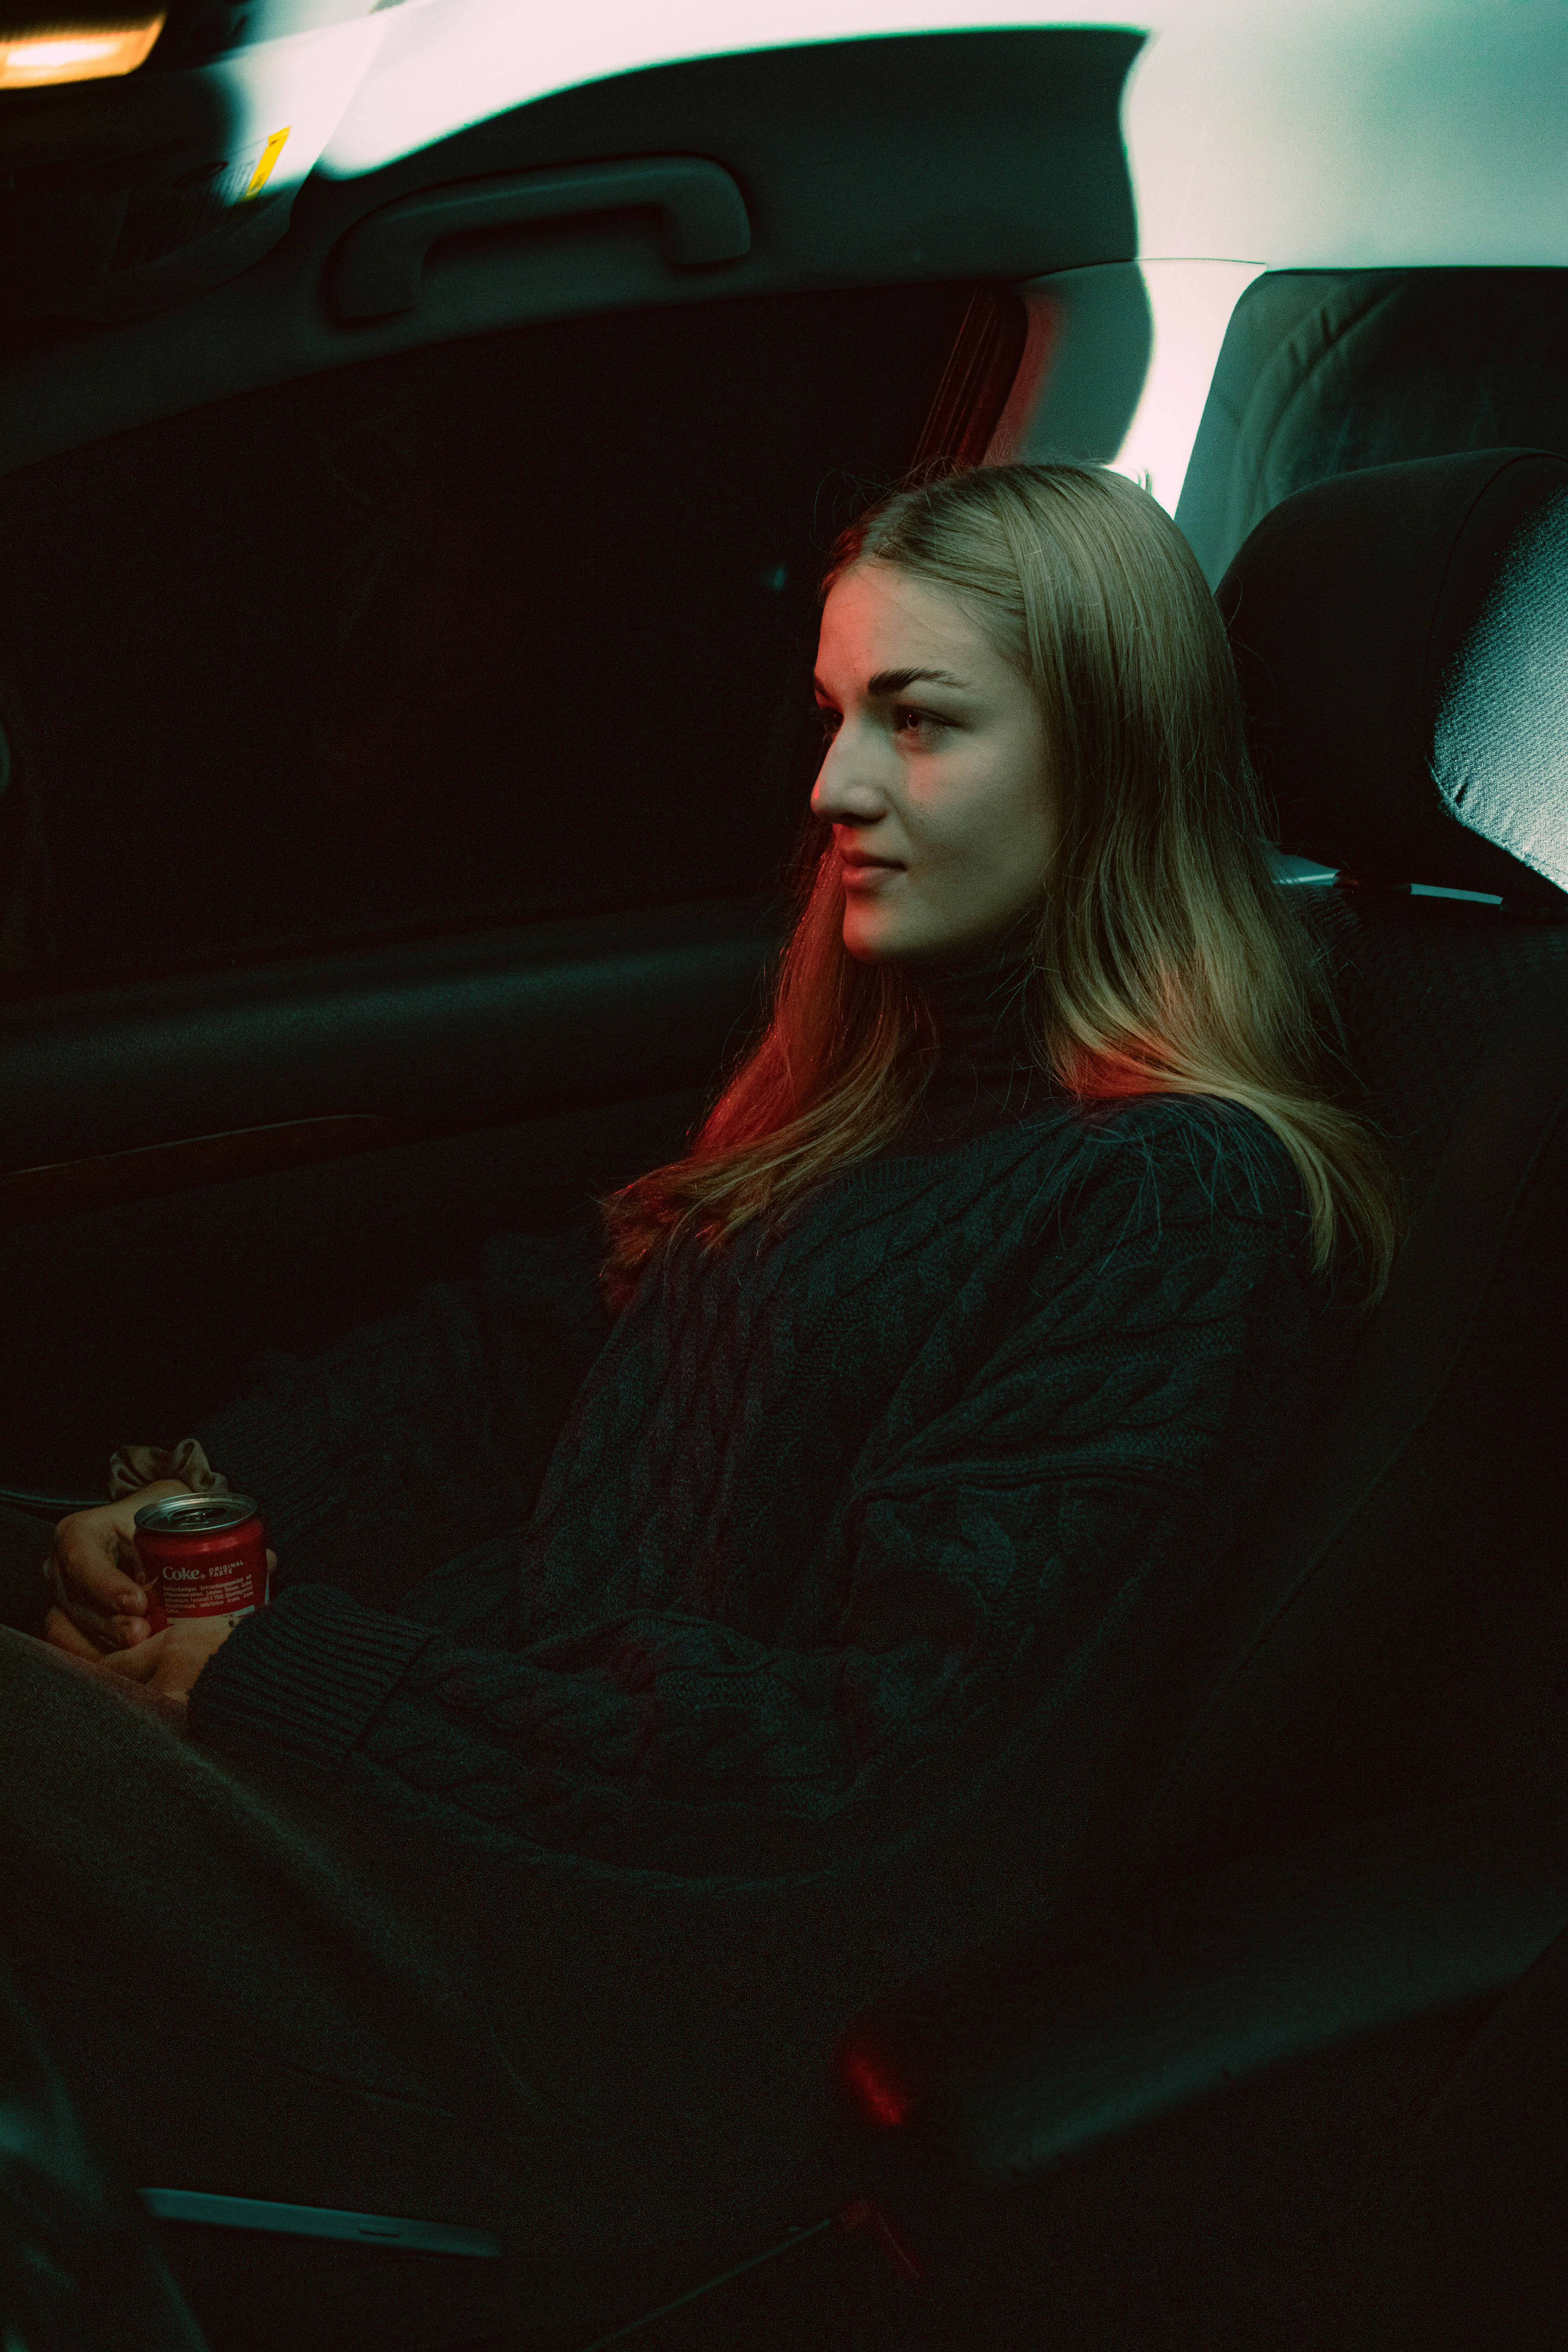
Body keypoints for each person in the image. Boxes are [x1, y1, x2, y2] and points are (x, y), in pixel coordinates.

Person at [0, 461, 1400, 2351]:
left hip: (618, 2008)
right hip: (477, 1834)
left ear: (1107, 758)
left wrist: (284, 1675)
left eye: (919, 721)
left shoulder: (1174, 1204)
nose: (833, 788)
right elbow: (505, 1365)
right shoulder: (865, 1098)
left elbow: (870, 1766)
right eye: (833, 714)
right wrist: (187, 1511)